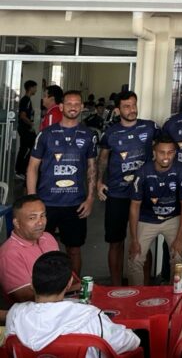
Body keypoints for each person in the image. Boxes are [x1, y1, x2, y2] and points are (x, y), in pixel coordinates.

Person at [5, 251, 140, 357]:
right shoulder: (90, 317)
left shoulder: (15, 315)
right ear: (69, 283)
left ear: (32, 283)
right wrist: (131, 332)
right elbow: (129, 342)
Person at [26, 90, 97, 276]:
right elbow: (32, 167)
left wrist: (90, 199)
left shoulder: (88, 135)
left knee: (74, 249)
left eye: (77, 104)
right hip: (46, 203)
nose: (73, 107)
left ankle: (74, 287)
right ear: (61, 106)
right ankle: (42, 288)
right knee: (40, 248)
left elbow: (92, 168)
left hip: (75, 204)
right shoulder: (46, 134)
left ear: (82, 107)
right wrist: (33, 200)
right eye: (69, 103)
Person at [96, 90, 159, 285]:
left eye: (133, 105)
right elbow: (103, 159)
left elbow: (164, 149)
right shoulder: (110, 133)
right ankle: (115, 287)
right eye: (126, 106)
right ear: (117, 110)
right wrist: (99, 181)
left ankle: (145, 287)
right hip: (117, 194)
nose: (131, 110)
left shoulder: (150, 127)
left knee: (143, 243)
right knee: (116, 243)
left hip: (143, 196)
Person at [128, 135, 182, 286]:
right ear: (154, 153)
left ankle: (175, 294)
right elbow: (134, 206)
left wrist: (179, 238)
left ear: (175, 153)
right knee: (135, 259)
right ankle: (136, 295)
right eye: (162, 152)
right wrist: (134, 240)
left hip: (173, 218)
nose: (166, 157)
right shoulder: (143, 172)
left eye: (170, 152)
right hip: (147, 218)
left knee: (178, 258)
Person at [0, 195, 61, 302]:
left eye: (42, 215)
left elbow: (64, 273)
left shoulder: (48, 237)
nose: (40, 222)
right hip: (35, 310)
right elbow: (26, 297)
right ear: (16, 223)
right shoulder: (9, 254)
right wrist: (69, 288)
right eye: (32, 218)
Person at [14, 80, 37, 180]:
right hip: (25, 129)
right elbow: (23, 116)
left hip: (26, 129)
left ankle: (20, 171)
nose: (36, 90)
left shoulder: (27, 100)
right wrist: (31, 124)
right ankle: (20, 171)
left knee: (24, 149)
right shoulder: (26, 100)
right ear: (30, 88)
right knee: (31, 148)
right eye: (35, 87)